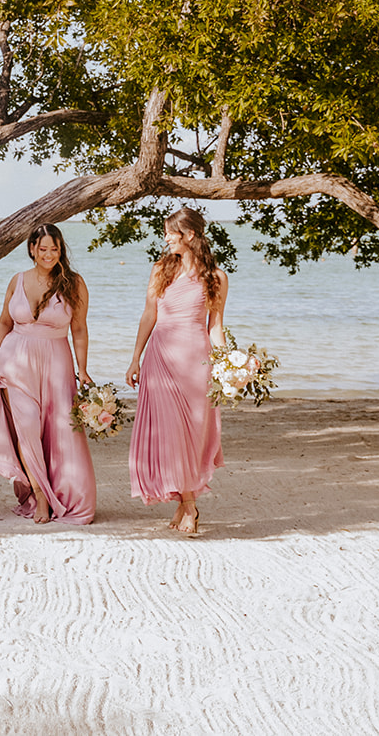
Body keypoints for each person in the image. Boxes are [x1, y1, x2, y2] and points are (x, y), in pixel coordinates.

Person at [0, 224, 96, 524]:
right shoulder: (17, 280)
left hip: (56, 363)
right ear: (32, 249)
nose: (49, 255)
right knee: (27, 429)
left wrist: (83, 369)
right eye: (43, 249)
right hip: (14, 364)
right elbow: (4, 323)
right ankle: (40, 497)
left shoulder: (73, 283)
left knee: (60, 432)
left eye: (54, 249)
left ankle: (64, 493)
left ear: (61, 250)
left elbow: (79, 329)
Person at [126, 207, 229, 535]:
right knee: (169, 434)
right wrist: (135, 358)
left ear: (190, 235)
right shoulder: (161, 270)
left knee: (190, 435)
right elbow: (148, 315)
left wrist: (230, 364)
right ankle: (188, 505)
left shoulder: (216, 277)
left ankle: (186, 505)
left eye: (172, 232)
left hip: (195, 360)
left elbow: (216, 326)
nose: (166, 237)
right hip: (161, 357)